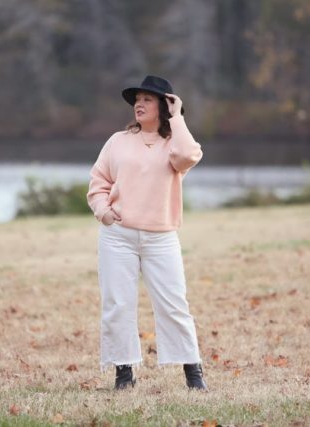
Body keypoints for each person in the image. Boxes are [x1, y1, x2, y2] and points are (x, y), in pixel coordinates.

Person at [86, 75, 207, 391]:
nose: (139, 103)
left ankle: (193, 375)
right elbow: (98, 182)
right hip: (118, 237)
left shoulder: (174, 143)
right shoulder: (118, 141)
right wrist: (104, 212)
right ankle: (124, 374)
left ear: (163, 106)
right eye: (137, 99)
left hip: (161, 237)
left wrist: (178, 118)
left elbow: (189, 156)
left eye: (147, 99)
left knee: (174, 304)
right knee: (118, 304)